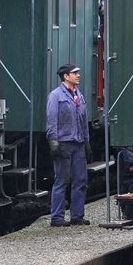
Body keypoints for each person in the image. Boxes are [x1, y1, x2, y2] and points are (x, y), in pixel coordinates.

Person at [46, 63, 93, 226]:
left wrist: (87, 142)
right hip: (64, 143)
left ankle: (77, 216)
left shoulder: (78, 95)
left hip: (78, 143)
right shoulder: (56, 96)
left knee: (80, 180)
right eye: (75, 73)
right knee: (62, 180)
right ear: (66, 76)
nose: (78, 75)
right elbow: (52, 120)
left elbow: (84, 121)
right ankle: (57, 217)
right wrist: (53, 142)